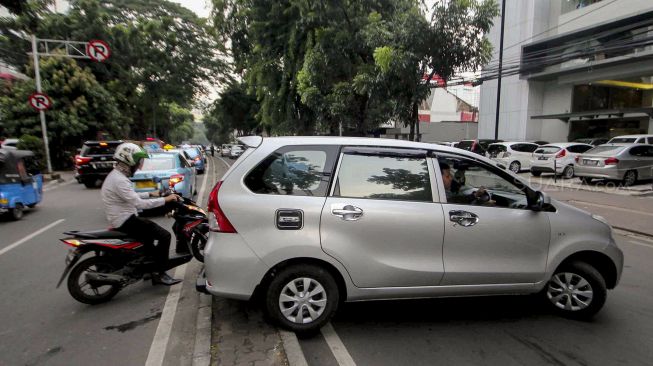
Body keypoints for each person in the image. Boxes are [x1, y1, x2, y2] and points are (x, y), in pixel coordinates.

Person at [101, 142, 183, 286]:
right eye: (138, 162)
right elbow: (139, 204)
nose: (139, 166)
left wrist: (150, 193)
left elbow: (131, 196)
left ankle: (148, 269)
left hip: (122, 218)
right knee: (165, 236)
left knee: (149, 242)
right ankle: (159, 273)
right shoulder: (120, 180)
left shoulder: (116, 176)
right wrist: (165, 199)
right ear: (129, 161)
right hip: (126, 220)